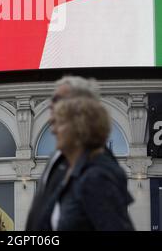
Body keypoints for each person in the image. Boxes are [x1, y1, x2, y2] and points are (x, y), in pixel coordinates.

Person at [26, 76, 120, 230]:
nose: (51, 124)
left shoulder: (99, 174)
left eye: (57, 100)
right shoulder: (58, 160)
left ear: (81, 120)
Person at [48, 96, 134, 230]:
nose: (53, 130)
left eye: (61, 123)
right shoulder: (75, 174)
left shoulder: (95, 179)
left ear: (80, 129)